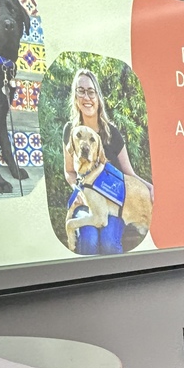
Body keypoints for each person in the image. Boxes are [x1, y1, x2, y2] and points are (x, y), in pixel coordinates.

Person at [62, 68, 152, 255]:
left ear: (98, 97)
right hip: (86, 199)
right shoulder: (71, 131)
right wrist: (76, 190)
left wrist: (150, 188)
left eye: (91, 91)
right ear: (75, 96)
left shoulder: (112, 133)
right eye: (81, 90)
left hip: (114, 201)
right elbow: (70, 171)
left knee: (110, 243)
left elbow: (129, 174)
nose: (87, 97)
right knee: (89, 240)